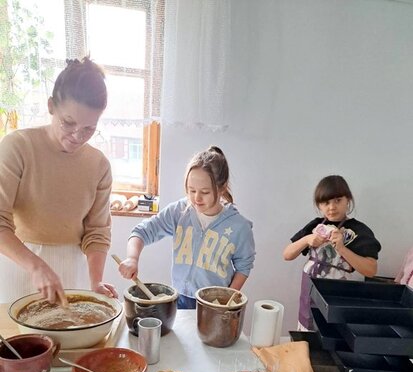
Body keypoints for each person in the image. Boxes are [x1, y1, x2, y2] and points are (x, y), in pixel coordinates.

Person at [0, 57, 117, 305]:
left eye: (89, 128)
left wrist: (96, 282)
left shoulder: (99, 165)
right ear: (51, 105)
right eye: (69, 123)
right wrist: (36, 266)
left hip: (72, 268)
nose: (77, 136)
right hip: (19, 262)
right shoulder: (18, 147)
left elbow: (97, 231)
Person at [118, 146, 255, 309]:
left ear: (222, 188)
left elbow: (244, 266)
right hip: (179, 297)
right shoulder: (179, 211)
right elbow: (141, 232)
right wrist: (132, 259)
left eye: (205, 192)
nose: (197, 198)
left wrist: (228, 301)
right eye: (191, 190)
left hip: (214, 304)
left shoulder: (239, 227)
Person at [283, 175, 381, 330]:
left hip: (339, 293)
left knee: (334, 331)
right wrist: (307, 239)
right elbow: (287, 255)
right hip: (310, 290)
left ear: (348, 200)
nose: (332, 207)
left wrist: (342, 248)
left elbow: (371, 270)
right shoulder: (315, 226)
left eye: (338, 200)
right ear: (319, 205)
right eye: (326, 202)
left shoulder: (358, 231)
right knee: (308, 331)